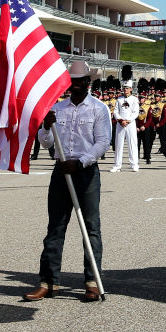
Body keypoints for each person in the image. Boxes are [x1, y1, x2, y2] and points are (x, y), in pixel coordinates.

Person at [24, 61, 111, 302]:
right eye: (71, 82)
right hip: (61, 171)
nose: (75, 86)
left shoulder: (98, 109)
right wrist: (45, 126)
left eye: (80, 81)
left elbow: (102, 143)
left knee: (91, 228)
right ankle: (48, 282)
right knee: (55, 227)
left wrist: (80, 162)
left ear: (88, 82)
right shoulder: (57, 108)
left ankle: (92, 282)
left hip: (86, 172)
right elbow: (46, 143)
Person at [111, 79, 140, 172]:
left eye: (127, 88)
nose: (125, 90)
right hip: (120, 124)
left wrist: (128, 121)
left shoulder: (135, 99)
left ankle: (134, 164)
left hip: (130, 124)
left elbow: (136, 112)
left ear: (131, 89)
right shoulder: (119, 99)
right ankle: (117, 165)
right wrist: (120, 120)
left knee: (132, 143)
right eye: (124, 88)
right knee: (118, 144)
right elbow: (115, 111)